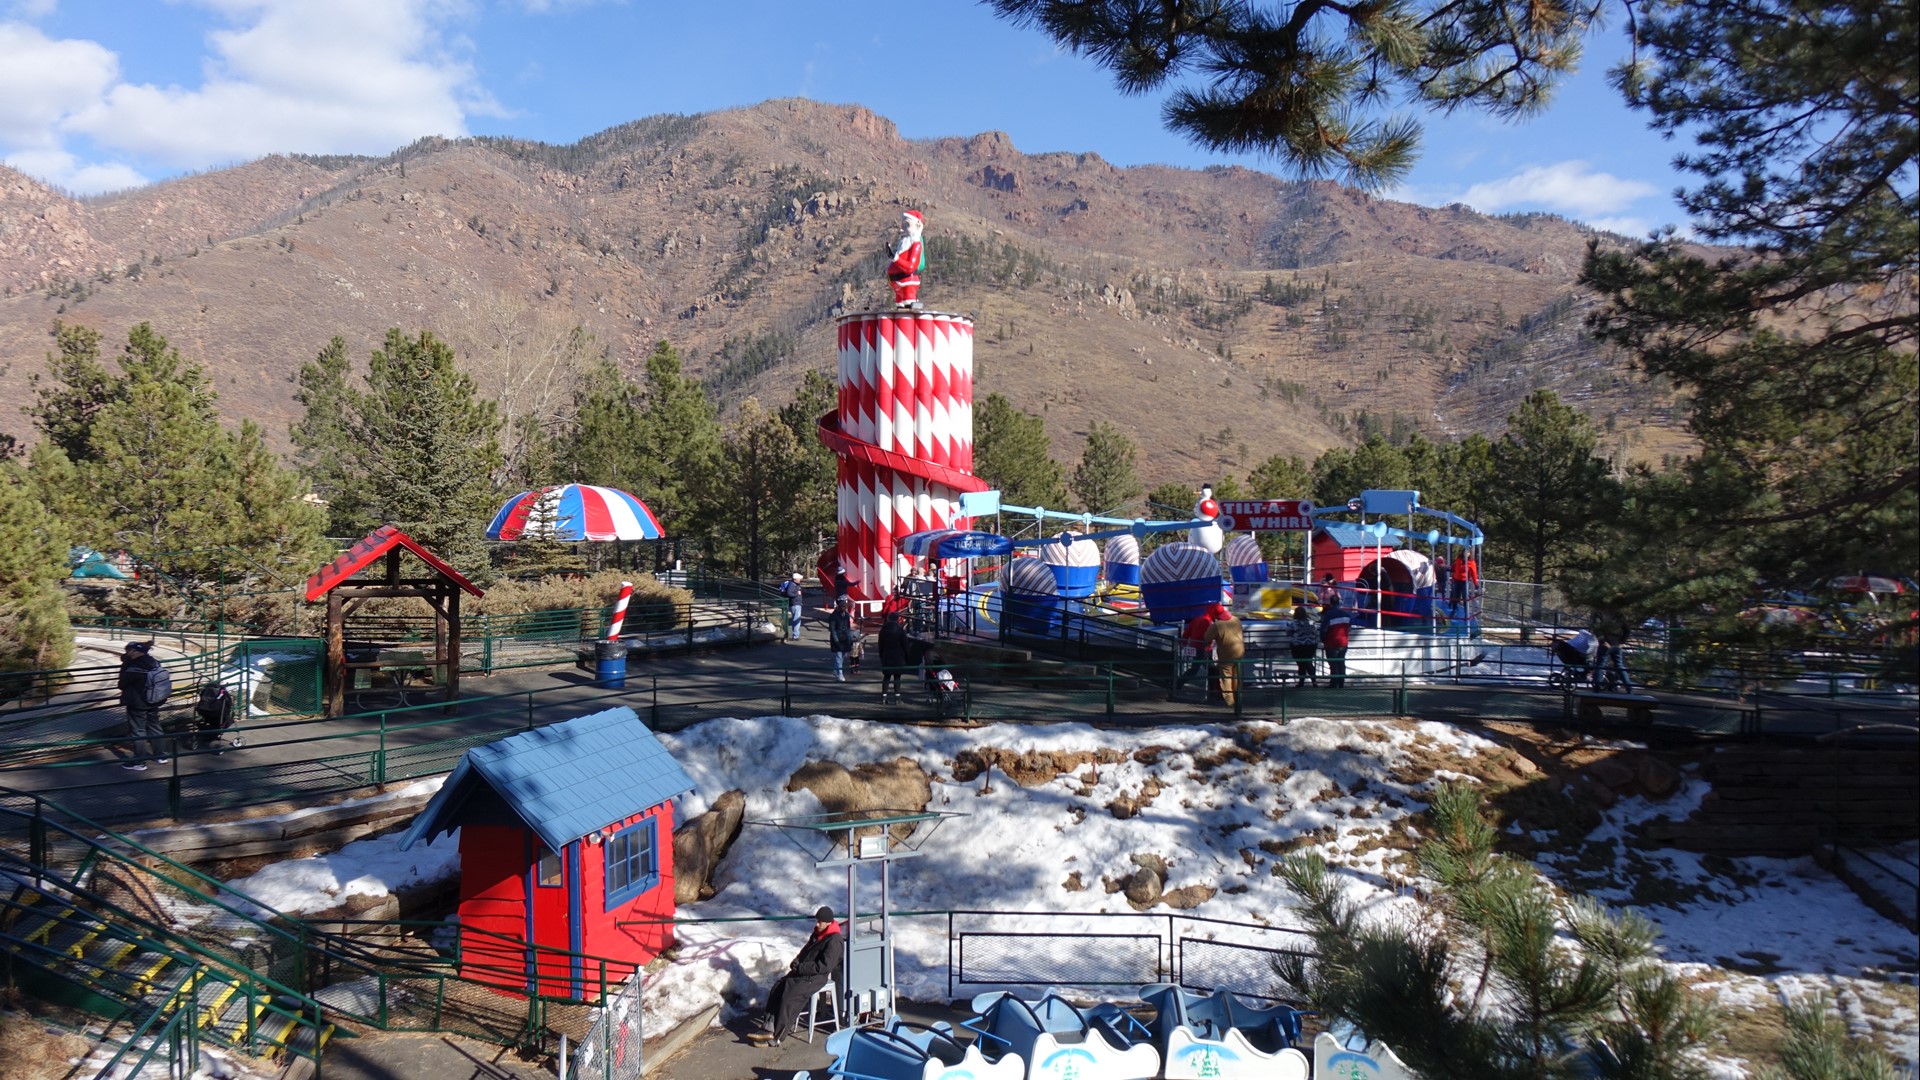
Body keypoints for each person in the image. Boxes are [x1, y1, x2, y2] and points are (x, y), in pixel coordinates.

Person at [748, 906, 846, 1047]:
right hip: (803, 972)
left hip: (815, 978)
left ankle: (776, 1037)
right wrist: (797, 961)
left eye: (820, 922)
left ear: (828, 923)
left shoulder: (834, 941)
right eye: (817, 921)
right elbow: (805, 951)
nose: (817, 924)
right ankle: (768, 1026)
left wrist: (801, 968)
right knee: (778, 988)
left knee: (789, 998)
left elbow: (824, 966)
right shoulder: (818, 934)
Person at [116, 641, 170, 771]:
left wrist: (125, 665)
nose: (127, 653)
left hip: (137, 702)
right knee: (155, 726)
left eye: (129, 650)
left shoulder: (134, 667)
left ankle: (139, 762)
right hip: (154, 700)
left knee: (138, 731)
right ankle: (160, 755)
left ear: (135, 652)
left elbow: (122, 684)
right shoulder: (154, 662)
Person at [1203, 604, 1245, 707]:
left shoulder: (1217, 625)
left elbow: (1207, 638)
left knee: (1226, 677)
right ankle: (1238, 698)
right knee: (1237, 676)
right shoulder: (1236, 620)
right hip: (1240, 651)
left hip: (1226, 654)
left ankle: (1230, 702)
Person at [1173, 604, 1220, 696]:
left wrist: (1184, 643)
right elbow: (1207, 637)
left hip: (1195, 646)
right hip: (1204, 648)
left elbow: (1187, 633)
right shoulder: (1208, 622)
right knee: (1212, 670)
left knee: (1194, 669)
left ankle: (1178, 684)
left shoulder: (1197, 619)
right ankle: (1213, 691)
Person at [888, 210, 926, 308]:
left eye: (907, 225)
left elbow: (910, 267)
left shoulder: (916, 245)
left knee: (908, 305)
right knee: (900, 306)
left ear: (917, 226)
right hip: (897, 284)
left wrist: (895, 259)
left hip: (907, 282)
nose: (903, 229)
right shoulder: (903, 244)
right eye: (903, 226)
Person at [877, 611, 910, 703]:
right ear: (897, 619)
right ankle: (897, 697)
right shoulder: (900, 631)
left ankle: (884, 697)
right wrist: (907, 656)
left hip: (886, 656)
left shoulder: (883, 630)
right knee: (897, 677)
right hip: (898, 657)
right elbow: (905, 645)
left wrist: (881, 656)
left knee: (886, 677)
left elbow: (880, 645)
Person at [1321, 597, 1352, 689]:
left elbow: (1323, 630)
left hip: (1331, 643)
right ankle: (1341, 683)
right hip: (1343, 643)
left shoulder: (1328, 614)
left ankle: (1334, 684)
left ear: (1331, 603)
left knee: (1333, 664)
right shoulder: (1346, 614)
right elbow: (1349, 628)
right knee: (1341, 662)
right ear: (1339, 602)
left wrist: (1323, 639)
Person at [1288, 605, 1319, 687]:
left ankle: (1301, 682)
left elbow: (1288, 632)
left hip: (1298, 646)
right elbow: (1315, 632)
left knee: (1301, 664)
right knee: (1309, 662)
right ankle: (1314, 682)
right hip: (1311, 645)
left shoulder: (1293, 623)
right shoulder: (1311, 622)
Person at [827, 596, 857, 682]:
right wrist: (836, 640)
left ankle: (835, 670)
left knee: (842, 657)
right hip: (837, 639)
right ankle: (839, 674)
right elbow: (832, 629)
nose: (845, 608)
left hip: (845, 639)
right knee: (838, 657)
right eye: (843, 606)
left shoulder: (846, 615)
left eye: (846, 606)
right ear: (839, 607)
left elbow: (848, 628)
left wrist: (851, 638)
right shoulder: (833, 616)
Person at [780, 572, 805, 642]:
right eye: (799, 578)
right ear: (795, 579)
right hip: (795, 604)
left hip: (796, 603)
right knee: (796, 620)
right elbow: (789, 593)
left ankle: (796, 634)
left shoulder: (795, 584)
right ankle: (795, 635)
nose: (800, 579)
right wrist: (797, 594)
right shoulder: (792, 585)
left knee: (796, 619)